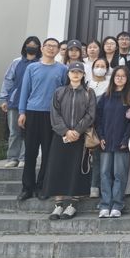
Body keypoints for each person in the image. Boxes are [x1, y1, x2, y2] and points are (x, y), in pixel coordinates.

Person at [43, 61, 96, 221]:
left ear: (83, 75)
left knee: (76, 169)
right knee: (57, 167)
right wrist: (65, 131)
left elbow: (91, 114)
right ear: (68, 74)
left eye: (79, 72)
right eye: (73, 71)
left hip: (80, 137)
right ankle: (58, 204)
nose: (75, 74)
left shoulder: (88, 92)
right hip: (61, 136)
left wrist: (77, 130)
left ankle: (73, 204)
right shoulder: (59, 92)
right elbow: (54, 113)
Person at [17, 38, 68, 201]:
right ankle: (27, 187)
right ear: (42, 48)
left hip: (52, 115)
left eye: (55, 46)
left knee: (47, 153)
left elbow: (64, 93)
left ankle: (42, 186)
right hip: (32, 112)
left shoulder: (63, 69)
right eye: (48, 46)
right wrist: (22, 112)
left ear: (58, 50)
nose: (51, 49)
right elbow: (25, 90)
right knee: (30, 152)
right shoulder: (32, 68)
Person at [96, 66, 130, 218]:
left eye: (123, 76)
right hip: (106, 141)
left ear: (127, 79)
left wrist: (126, 139)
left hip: (122, 143)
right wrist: (101, 136)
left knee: (120, 174)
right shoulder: (106, 96)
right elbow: (98, 118)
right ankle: (105, 204)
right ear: (113, 78)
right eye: (117, 75)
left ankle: (117, 204)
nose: (119, 78)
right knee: (104, 173)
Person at [0, 36, 42, 167]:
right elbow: (8, 80)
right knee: (14, 132)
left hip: (32, 103)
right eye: (29, 45)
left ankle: (24, 158)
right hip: (15, 101)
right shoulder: (16, 62)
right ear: (25, 46)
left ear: (39, 48)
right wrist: (4, 98)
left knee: (28, 132)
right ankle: (12, 158)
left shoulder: (40, 63)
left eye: (34, 46)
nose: (31, 47)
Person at [87, 57, 111, 198]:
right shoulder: (87, 83)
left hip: (103, 124)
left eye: (103, 66)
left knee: (99, 157)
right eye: (97, 66)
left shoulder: (110, 85)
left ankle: (96, 185)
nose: (100, 68)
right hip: (86, 125)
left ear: (107, 69)